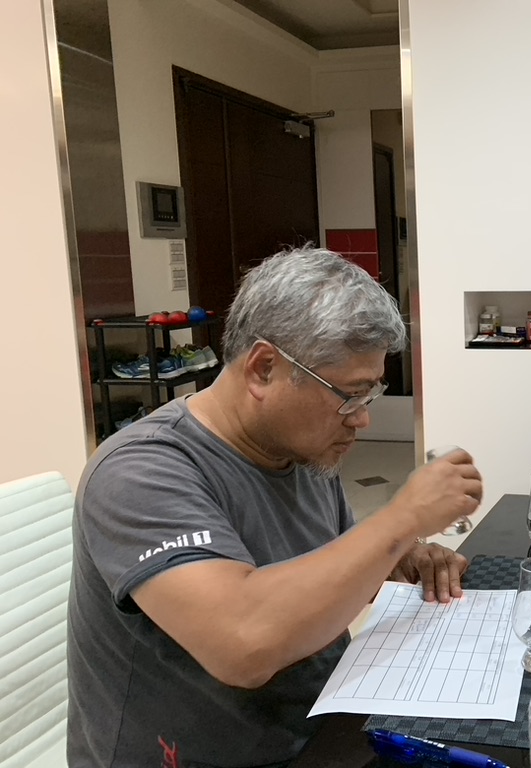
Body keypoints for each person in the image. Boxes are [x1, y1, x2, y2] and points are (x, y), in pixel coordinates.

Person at [66, 245, 483, 768]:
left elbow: (326, 567)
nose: (362, 419)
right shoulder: (139, 471)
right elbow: (243, 644)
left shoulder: (300, 450)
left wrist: (399, 555)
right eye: (350, 394)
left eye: (370, 395)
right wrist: (402, 517)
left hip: (319, 725)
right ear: (264, 368)